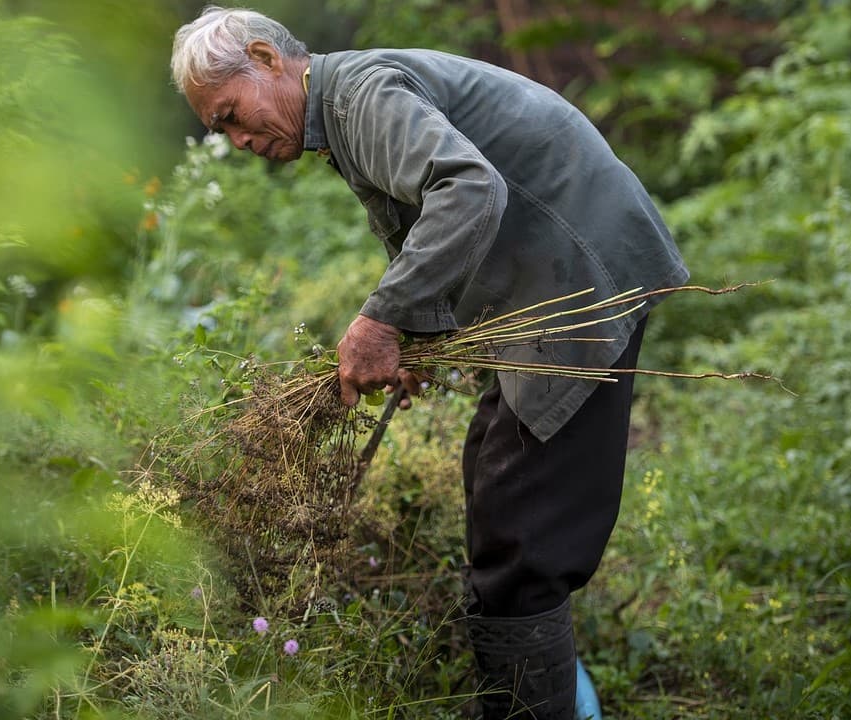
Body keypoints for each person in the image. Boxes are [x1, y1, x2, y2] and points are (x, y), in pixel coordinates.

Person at [170, 6, 688, 719]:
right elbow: (429, 218)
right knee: (492, 476)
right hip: (556, 278)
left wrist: (381, 319)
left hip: (579, 279)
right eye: (221, 130)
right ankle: (535, 693)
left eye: (231, 115)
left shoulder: (360, 97)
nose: (237, 140)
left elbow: (469, 188)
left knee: (521, 529)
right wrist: (420, 331)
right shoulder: (343, 109)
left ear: (265, 58)